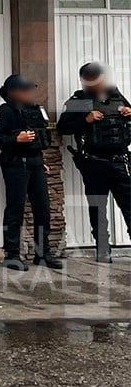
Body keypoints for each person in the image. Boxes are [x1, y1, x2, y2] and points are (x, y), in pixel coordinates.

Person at [58, 62, 131, 263]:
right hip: (94, 163)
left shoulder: (115, 95)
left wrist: (128, 112)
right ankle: (102, 249)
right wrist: (85, 120)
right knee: (98, 206)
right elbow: (62, 127)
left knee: (129, 204)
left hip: (120, 160)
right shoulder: (79, 101)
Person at [0, 74, 62, 271]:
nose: (30, 92)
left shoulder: (36, 110)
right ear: (14, 92)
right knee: (15, 209)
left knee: (43, 209)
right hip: (15, 165)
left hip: (35, 163)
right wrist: (16, 139)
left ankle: (43, 253)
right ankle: (11, 254)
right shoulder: (5, 112)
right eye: (25, 89)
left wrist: (41, 160)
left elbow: (41, 136)